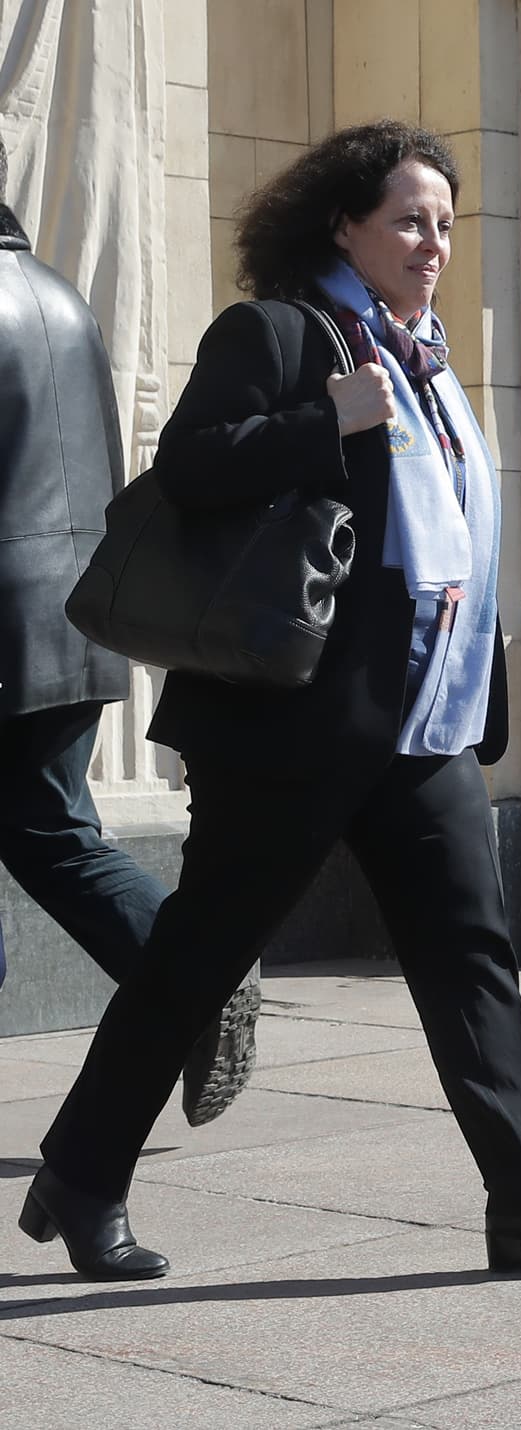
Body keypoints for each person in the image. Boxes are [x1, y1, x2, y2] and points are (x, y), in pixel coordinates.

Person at [20, 121, 521, 1281]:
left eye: (446, 225)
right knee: (197, 959)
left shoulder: (429, 354)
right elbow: (193, 464)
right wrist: (330, 418)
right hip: (294, 724)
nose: (433, 243)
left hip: (426, 725)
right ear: (343, 224)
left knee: (472, 961)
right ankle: (84, 1173)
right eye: (410, 220)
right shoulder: (277, 332)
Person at [0, 135, 258, 1129]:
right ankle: (194, 966)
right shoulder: (62, 298)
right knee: (54, 832)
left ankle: (196, 965)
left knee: (51, 833)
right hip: (67, 625)